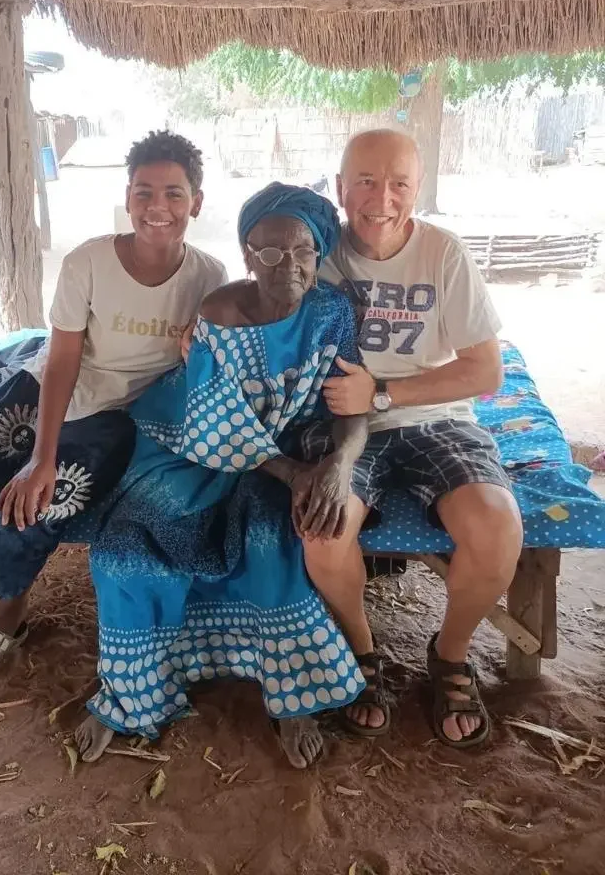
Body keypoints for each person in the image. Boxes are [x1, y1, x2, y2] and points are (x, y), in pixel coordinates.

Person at [0, 131, 227, 686]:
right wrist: (39, 454)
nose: (158, 208)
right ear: (128, 197)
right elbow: (62, 360)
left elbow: (213, 351)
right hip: (45, 386)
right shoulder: (89, 262)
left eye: (174, 193)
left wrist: (46, 469)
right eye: (144, 192)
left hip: (118, 415)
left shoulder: (208, 277)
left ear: (196, 200)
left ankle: (9, 609)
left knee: (41, 501)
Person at [73, 183, 369, 770]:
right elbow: (213, 420)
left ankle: (293, 699)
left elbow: (353, 404)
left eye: (305, 250)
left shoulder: (331, 311)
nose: (289, 265)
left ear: (319, 253)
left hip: (286, 452)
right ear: (246, 254)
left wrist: (338, 466)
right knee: (122, 548)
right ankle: (133, 694)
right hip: (189, 446)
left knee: (271, 540)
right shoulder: (219, 314)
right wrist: (296, 474)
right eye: (271, 252)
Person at [304, 128, 523, 748]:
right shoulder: (315, 257)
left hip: (438, 417)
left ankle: (450, 658)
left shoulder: (444, 253)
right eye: (367, 182)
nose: (382, 198)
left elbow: (485, 369)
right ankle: (361, 651)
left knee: (497, 525)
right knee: (322, 529)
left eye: (399, 182)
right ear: (341, 187)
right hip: (349, 429)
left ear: (417, 188)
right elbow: (264, 316)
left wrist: (383, 393)